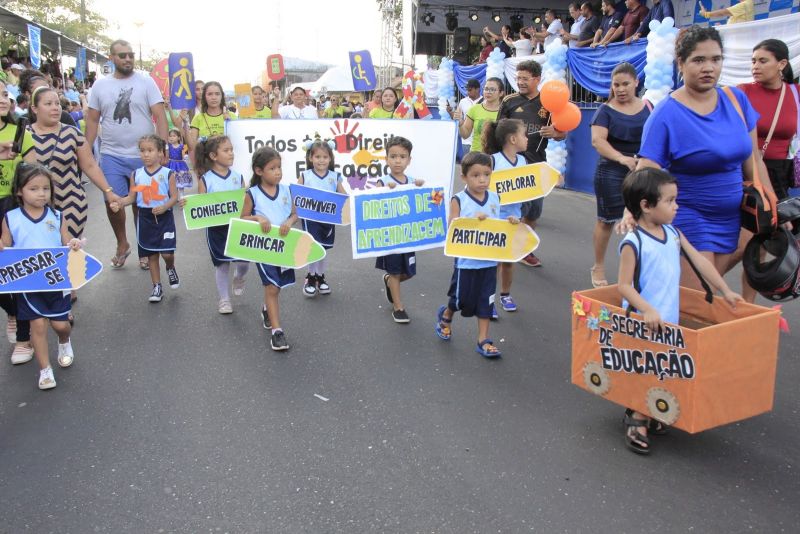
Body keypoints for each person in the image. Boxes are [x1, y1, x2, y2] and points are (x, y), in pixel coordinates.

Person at [632, 26, 777, 296]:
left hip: (733, 218)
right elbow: (645, 175)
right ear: (681, 63)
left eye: (716, 59)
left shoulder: (737, 100)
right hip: (689, 217)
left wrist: (771, 204)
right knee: (696, 300)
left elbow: (754, 160)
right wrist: (636, 215)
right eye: (699, 60)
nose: (709, 67)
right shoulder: (665, 114)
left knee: (705, 297)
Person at [617, 168, 742, 454]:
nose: (677, 206)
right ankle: (637, 418)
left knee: (663, 369)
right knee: (646, 369)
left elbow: (700, 261)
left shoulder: (673, 234)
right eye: (670, 201)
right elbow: (624, 286)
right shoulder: (633, 242)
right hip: (642, 320)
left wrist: (725, 290)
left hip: (667, 318)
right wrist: (647, 309)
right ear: (646, 206)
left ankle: (647, 410)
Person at [85, 40, 169, 271]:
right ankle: (122, 243)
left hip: (144, 157)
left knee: (141, 204)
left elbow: (159, 116)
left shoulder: (146, 82)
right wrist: (85, 150)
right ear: (111, 58)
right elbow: (92, 120)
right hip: (111, 154)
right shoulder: (100, 87)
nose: (128, 59)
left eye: (130, 55)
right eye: (122, 55)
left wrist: (161, 151)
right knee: (112, 202)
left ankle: (144, 247)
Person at [0, 164, 84, 390]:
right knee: (37, 326)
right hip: (28, 284)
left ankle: (65, 340)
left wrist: (73, 244)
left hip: (56, 281)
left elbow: (66, 241)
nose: (41, 194)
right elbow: (5, 246)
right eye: (34, 188)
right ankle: (45, 371)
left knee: (60, 325)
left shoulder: (57, 216)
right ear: (19, 191)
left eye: (45, 189)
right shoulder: (11, 217)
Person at [435, 151, 518, 358]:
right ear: (464, 177)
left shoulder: (495, 198)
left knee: (486, 302)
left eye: (487, 174)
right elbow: (452, 227)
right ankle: (446, 315)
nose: (482, 179)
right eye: (476, 175)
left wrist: (510, 223)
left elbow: (497, 225)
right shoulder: (459, 199)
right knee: (460, 299)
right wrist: (472, 221)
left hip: (489, 263)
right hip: (466, 263)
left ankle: (483, 340)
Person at [497, 61, 566, 267]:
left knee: (533, 212)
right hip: (510, 167)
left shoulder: (548, 102)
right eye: (518, 78)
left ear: (537, 79)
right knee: (508, 211)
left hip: (536, 165)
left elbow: (563, 133)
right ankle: (503, 247)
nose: (520, 82)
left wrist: (555, 133)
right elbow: (497, 132)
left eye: (525, 78)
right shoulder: (509, 101)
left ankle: (524, 249)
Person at [590, 63, 651, 288]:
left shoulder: (648, 107)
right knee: (606, 221)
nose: (621, 89)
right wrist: (622, 158)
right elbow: (597, 141)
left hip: (642, 171)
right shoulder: (604, 110)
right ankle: (598, 266)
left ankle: (635, 270)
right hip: (611, 170)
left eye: (625, 84)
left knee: (643, 220)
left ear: (636, 82)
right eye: (616, 85)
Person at [241, 147, 298, 351]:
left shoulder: (286, 190)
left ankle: (267, 308)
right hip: (263, 247)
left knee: (278, 286)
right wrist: (258, 218)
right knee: (271, 286)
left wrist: (290, 221)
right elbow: (242, 219)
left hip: (284, 246)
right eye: (272, 168)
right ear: (259, 171)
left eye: (279, 167)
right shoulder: (252, 193)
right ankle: (277, 332)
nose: (278, 172)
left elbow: (294, 214)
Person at [186, 135, 250, 314]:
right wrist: (188, 205)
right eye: (226, 150)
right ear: (214, 156)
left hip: (237, 226)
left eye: (232, 150)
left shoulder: (238, 177)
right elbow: (201, 206)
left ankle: (239, 277)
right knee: (221, 264)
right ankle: (224, 299)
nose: (231, 154)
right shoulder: (205, 180)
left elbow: (245, 202)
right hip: (217, 230)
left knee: (244, 262)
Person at [0, 79, 36, 364]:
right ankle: (11, 311)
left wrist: (19, 156)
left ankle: (24, 337)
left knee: (16, 267)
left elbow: (34, 170)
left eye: (4, 94)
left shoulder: (19, 130)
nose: (2, 99)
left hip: (11, 204)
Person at [118, 135, 179, 302]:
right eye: (142, 151)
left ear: (160, 153)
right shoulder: (136, 174)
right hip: (145, 218)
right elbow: (131, 197)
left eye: (150, 150)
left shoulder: (168, 174)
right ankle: (157, 287)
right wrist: (119, 203)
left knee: (167, 254)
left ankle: (170, 267)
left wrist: (165, 206)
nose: (146, 154)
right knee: (151, 255)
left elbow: (174, 196)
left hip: (164, 217)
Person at [739, 39, 798, 201]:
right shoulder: (742, 91)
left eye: (762, 61)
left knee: (782, 221)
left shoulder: (796, 93)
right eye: (753, 61)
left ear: (781, 64)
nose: (755, 66)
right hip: (745, 169)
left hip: (780, 174)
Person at [376, 136, 425, 323]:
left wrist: (420, 189)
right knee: (396, 271)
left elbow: (422, 205)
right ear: (386, 159)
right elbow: (374, 206)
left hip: (408, 236)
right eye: (393, 156)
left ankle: (389, 281)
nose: (398, 160)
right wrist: (384, 191)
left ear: (409, 160)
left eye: (402, 157)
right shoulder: (383, 181)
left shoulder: (413, 181)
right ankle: (398, 307)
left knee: (409, 272)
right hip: (391, 237)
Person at [483, 119, 528, 315]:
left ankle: (505, 294)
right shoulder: (493, 160)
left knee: (510, 260)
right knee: (493, 263)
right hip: (495, 220)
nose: (527, 138)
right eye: (524, 134)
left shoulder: (523, 161)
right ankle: (488, 298)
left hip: (514, 218)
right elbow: (481, 187)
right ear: (512, 138)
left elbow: (528, 187)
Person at [297, 139, 347, 297]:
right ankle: (310, 277)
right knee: (313, 247)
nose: (321, 160)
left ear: (330, 158)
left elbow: (343, 195)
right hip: (310, 219)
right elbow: (297, 195)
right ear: (311, 158)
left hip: (328, 219)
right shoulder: (305, 175)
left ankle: (320, 276)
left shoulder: (335, 176)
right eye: (317, 157)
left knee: (323, 249)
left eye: (325, 157)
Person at [454, 78, 504, 153]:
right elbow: (465, 135)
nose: (488, 92)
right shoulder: (474, 109)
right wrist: (461, 124)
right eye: (486, 89)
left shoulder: (505, 110)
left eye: (492, 89)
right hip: (476, 156)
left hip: (497, 156)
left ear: (501, 93)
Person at [189, 81, 231, 156]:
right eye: (210, 94)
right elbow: (192, 146)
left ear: (222, 96)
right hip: (205, 162)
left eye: (217, 94)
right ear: (204, 96)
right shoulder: (198, 118)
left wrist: (230, 123)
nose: (214, 97)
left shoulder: (231, 117)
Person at [455, 79, 483, 158]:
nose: (468, 92)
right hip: (466, 140)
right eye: (467, 90)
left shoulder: (485, 102)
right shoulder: (462, 101)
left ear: (477, 89)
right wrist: (451, 113)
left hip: (480, 142)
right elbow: (458, 118)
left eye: (470, 90)